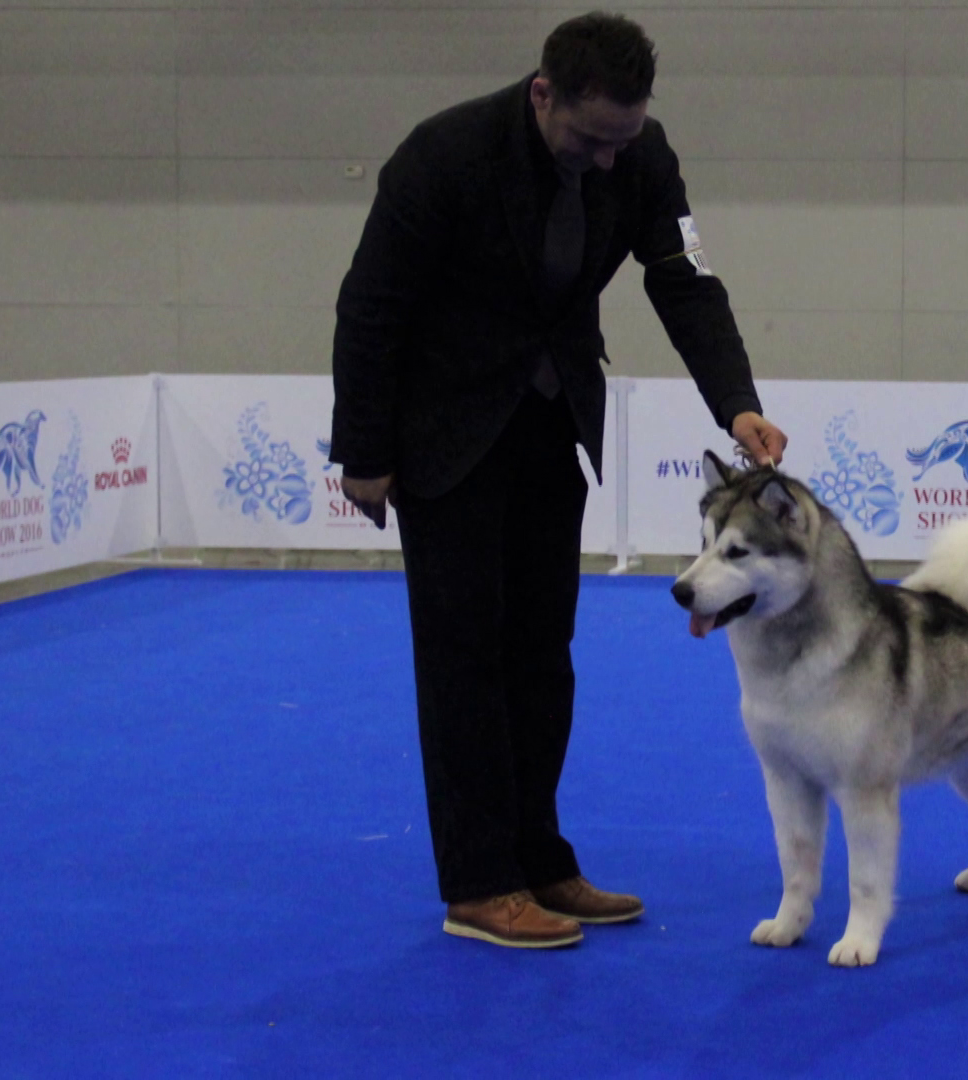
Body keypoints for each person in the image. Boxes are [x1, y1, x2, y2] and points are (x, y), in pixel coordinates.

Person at [329, 12, 788, 951]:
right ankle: (479, 882)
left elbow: (685, 280)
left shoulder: (641, 153)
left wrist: (734, 404)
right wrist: (363, 452)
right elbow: (370, 305)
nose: (612, 161)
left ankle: (542, 860)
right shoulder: (444, 154)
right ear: (545, 95)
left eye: (626, 139)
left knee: (543, 654)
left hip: (552, 425)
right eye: (593, 140)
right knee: (464, 661)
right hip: (446, 437)